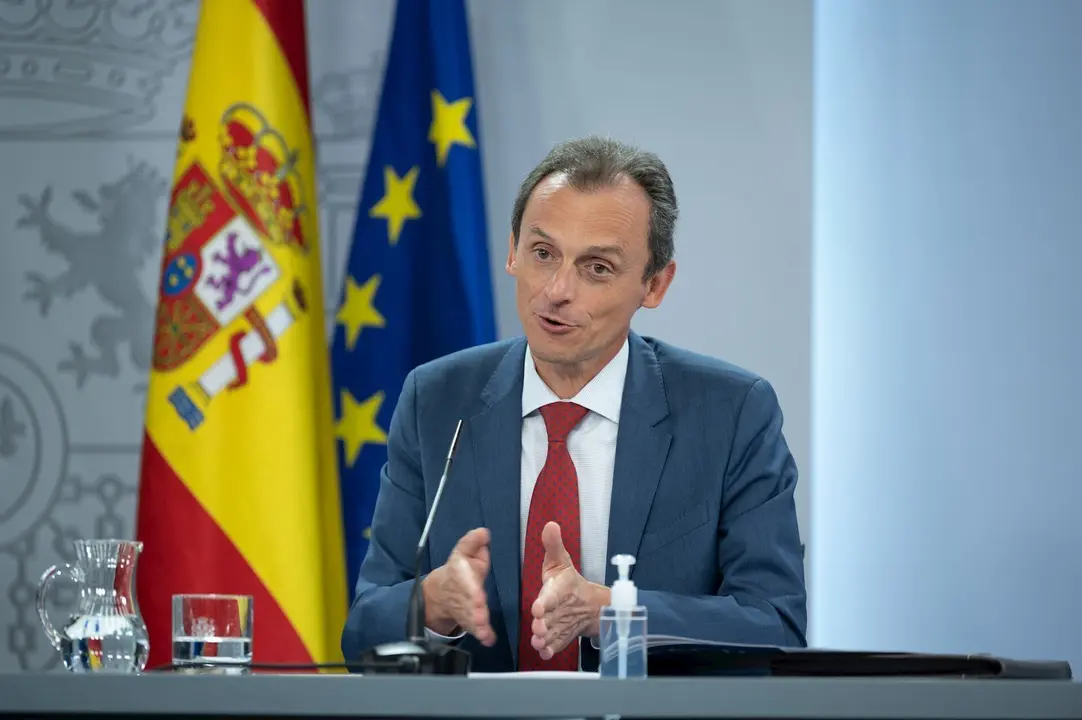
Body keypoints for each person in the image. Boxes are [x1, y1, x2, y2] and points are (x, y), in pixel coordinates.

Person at [341, 136, 807, 673]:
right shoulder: (439, 399)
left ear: (654, 285)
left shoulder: (730, 413)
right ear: (513, 250)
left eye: (597, 268)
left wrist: (615, 611)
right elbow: (361, 631)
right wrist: (432, 603)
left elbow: (776, 624)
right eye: (543, 254)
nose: (557, 290)